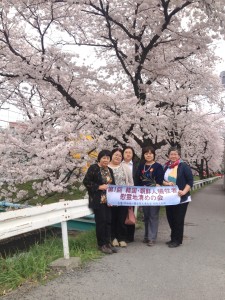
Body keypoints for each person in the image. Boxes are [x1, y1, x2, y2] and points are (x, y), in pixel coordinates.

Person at [83, 149, 117, 254]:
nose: (106, 160)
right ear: (99, 158)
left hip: (108, 200)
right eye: (104, 158)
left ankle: (108, 242)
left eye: (108, 158)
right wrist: (99, 187)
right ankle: (101, 244)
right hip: (98, 200)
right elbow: (86, 182)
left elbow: (113, 184)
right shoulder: (94, 168)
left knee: (108, 221)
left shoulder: (109, 170)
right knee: (101, 222)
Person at [163, 147, 193, 248]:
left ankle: (177, 240)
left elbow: (190, 181)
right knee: (170, 218)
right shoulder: (166, 167)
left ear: (179, 155)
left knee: (178, 219)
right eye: (171, 154)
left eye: (175, 154)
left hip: (181, 198)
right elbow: (161, 179)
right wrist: (166, 183)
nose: (173, 156)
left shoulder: (183, 166)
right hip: (169, 198)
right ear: (168, 156)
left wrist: (184, 191)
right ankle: (173, 238)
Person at [136, 146, 164, 246]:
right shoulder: (141, 166)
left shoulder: (158, 166)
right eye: (146, 153)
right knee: (146, 216)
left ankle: (152, 238)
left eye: (150, 153)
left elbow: (159, 181)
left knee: (153, 215)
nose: (148, 155)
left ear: (154, 155)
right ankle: (146, 236)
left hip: (154, 195)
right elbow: (138, 180)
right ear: (143, 155)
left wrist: (155, 185)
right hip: (143, 194)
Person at [109, 148, 134, 247]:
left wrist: (130, 194)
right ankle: (113, 237)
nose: (118, 157)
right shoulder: (106, 167)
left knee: (121, 218)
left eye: (119, 156)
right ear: (111, 155)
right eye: (116, 155)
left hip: (123, 197)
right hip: (110, 198)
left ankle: (121, 238)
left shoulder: (125, 167)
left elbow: (131, 182)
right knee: (112, 218)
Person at [122, 146, 139, 242]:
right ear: (123, 154)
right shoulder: (119, 164)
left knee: (130, 213)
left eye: (130, 152)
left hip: (133, 193)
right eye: (126, 152)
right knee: (122, 214)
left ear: (133, 155)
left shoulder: (137, 165)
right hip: (121, 194)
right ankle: (122, 235)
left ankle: (130, 236)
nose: (128, 154)